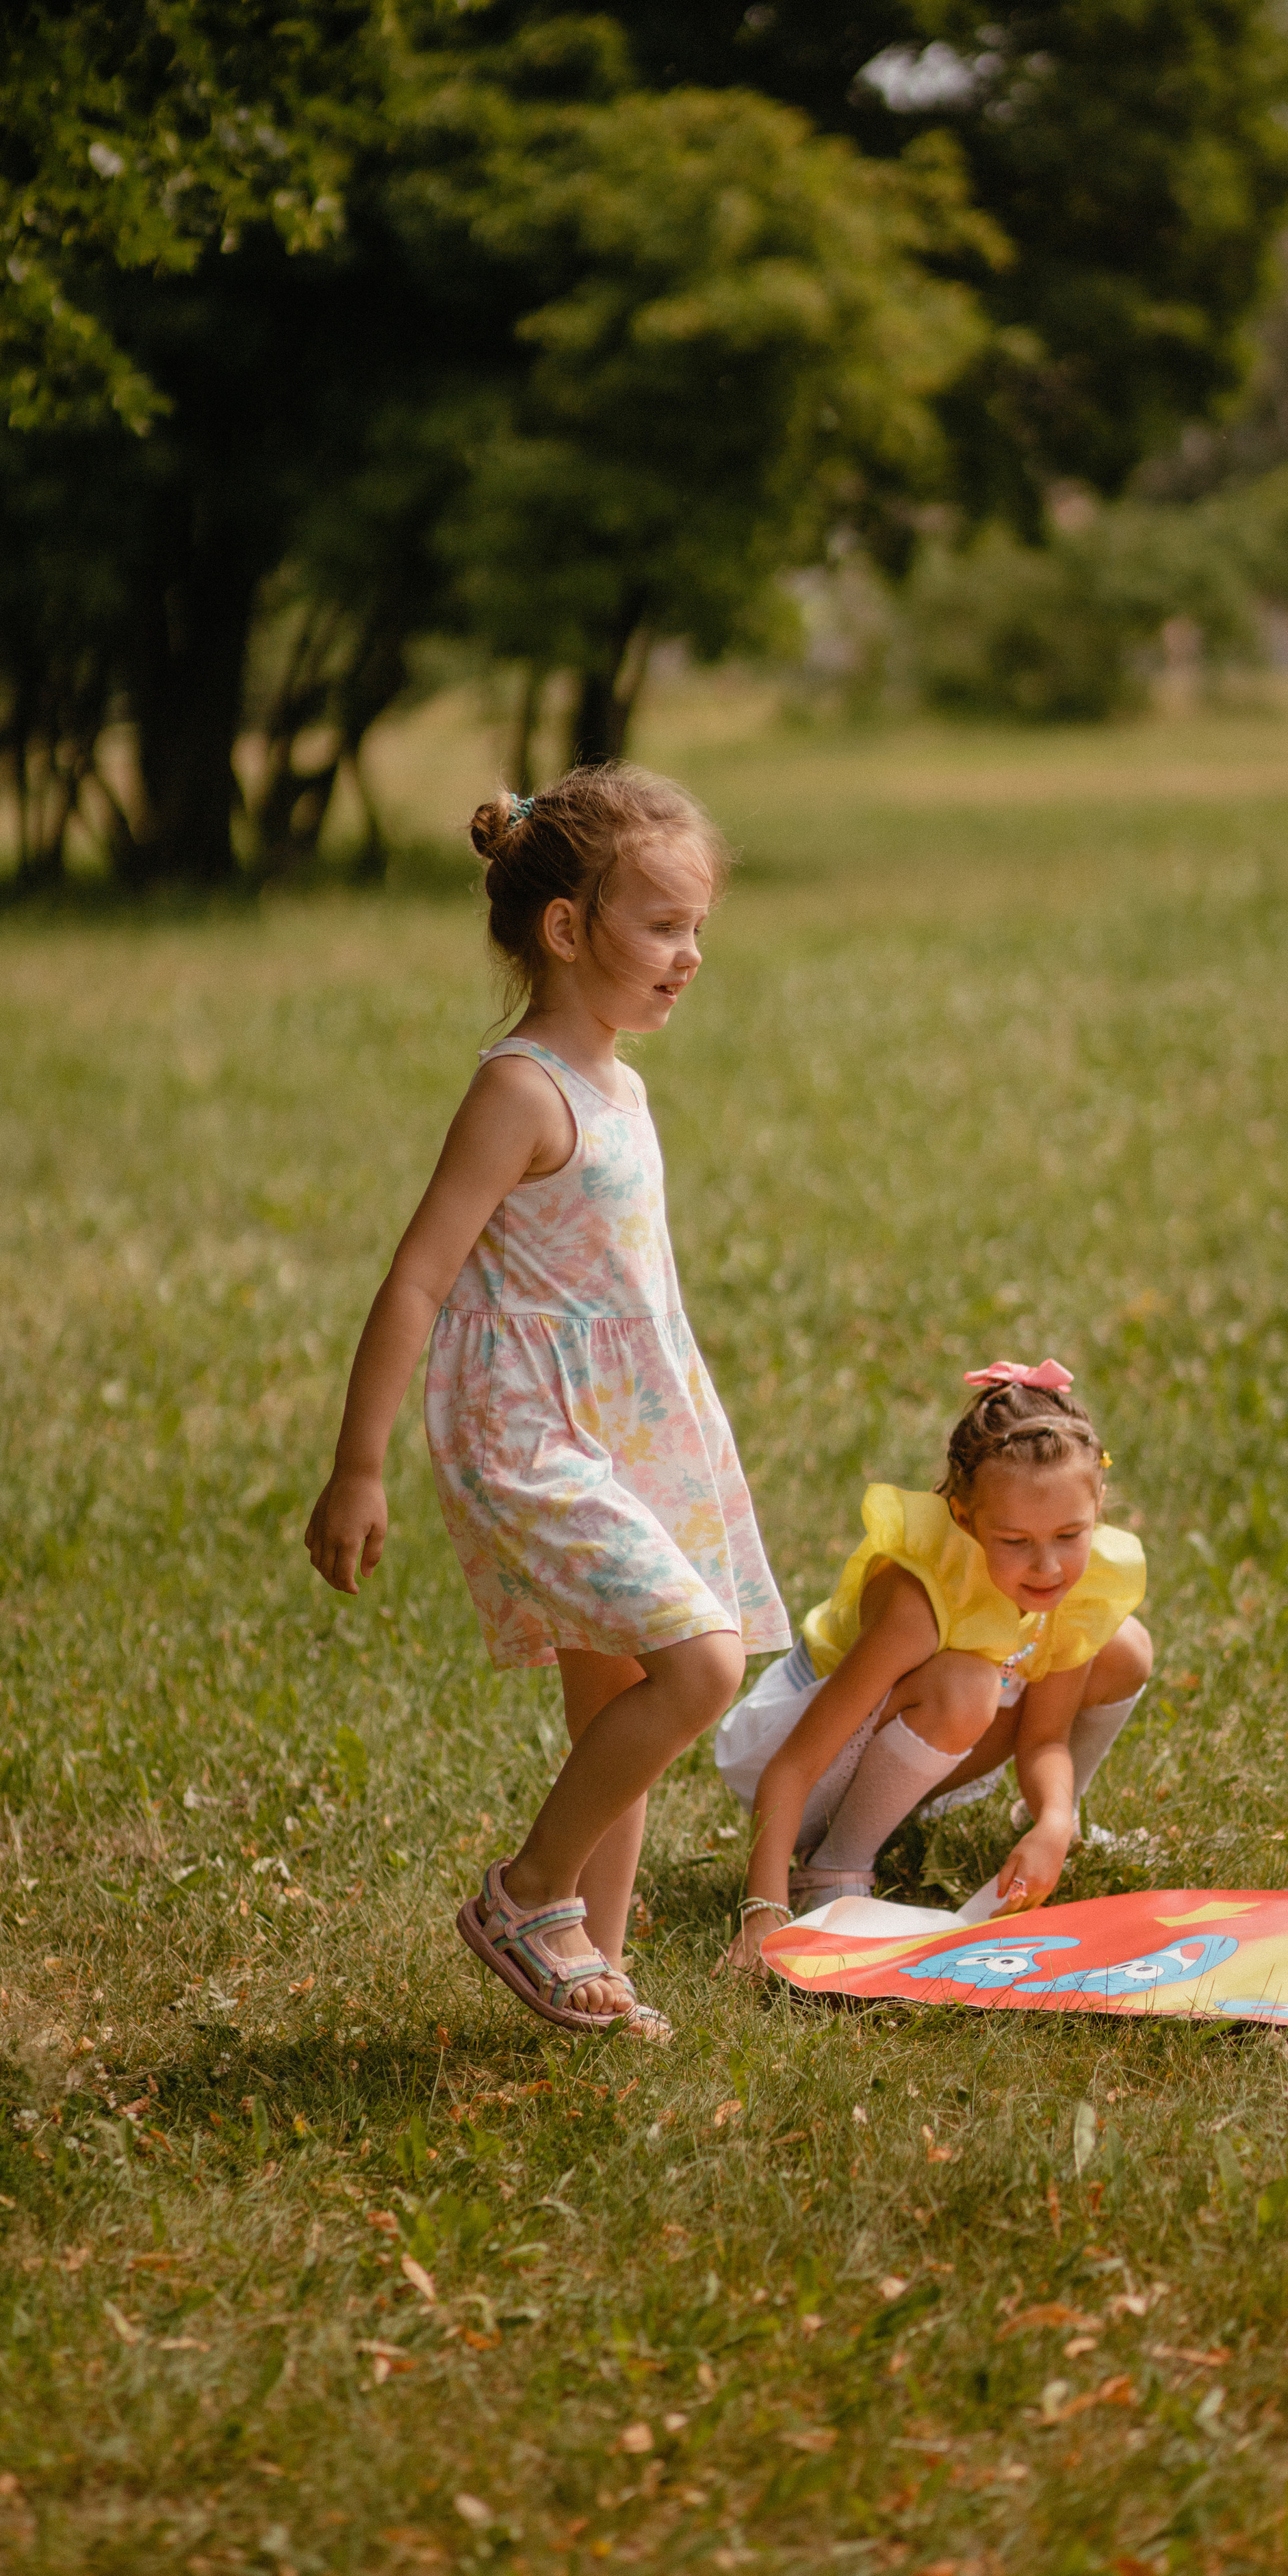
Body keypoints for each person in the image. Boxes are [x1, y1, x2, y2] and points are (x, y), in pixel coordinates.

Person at [306, 765, 788, 2040]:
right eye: (664, 927)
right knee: (701, 1665)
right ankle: (527, 1897)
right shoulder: (523, 1090)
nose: (690, 956)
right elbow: (417, 1278)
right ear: (567, 931)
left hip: (624, 1429)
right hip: (531, 1432)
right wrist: (360, 1467)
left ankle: (593, 1964)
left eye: (697, 930)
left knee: (615, 1697)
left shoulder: (619, 1078)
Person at [714, 1359, 1150, 1974]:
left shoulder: (1077, 1587)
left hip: (897, 1740)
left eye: (1069, 1535)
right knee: (971, 1684)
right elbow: (792, 1766)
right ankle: (832, 1868)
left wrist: (1054, 1821)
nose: (1047, 1566)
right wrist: (763, 1908)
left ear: (1098, 1504)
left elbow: (1045, 1737)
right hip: (791, 1752)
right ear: (966, 1518)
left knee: (1123, 1645)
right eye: (1015, 1542)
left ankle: (1045, 1829)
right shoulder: (917, 1600)